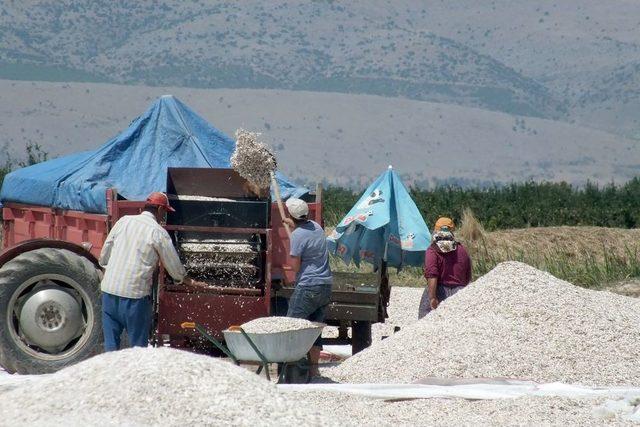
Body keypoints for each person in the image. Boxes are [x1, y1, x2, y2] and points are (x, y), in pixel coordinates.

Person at [99, 192, 202, 351]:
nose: (164, 217)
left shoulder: (123, 221)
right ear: (160, 209)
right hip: (134, 299)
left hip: (108, 293)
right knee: (138, 350)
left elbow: (105, 254)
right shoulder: (158, 232)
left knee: (111, 348)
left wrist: (108, 268)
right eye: (165, 212)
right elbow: (172, 265)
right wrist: (187, 280)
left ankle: (110, 375)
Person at [282, 198, 333, 373]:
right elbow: (303, 228)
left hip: (308, 286)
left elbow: (295, 266)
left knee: (291, 326)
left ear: (291, 214)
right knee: (314, 329)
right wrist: (291, 223)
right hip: (325, 285)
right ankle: (314, 370)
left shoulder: (297, 236)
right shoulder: (316, 227)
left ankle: (288, 369)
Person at [418, 217, 471, 318]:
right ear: (452, 231)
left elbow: (432, 275)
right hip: (460, 291)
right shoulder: (462, 249)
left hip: (439, 290)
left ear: (436, 230)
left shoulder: (433, 250)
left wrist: (432, 297)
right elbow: (468, 275)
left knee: (424, 319)